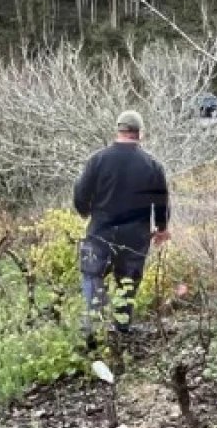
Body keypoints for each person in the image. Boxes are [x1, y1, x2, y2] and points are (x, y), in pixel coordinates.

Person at [72, 110, 170, 337]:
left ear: (118, 130)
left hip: (100, 232)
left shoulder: (97, 160)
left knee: (92, 275)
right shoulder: (152, 165)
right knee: (128, 279)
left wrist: (85, 211)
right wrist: (162, 228)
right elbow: (161, 200)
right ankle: (122, 329)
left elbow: (80, 192)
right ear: (140, 133)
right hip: (135, 236)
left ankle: (92, 328)